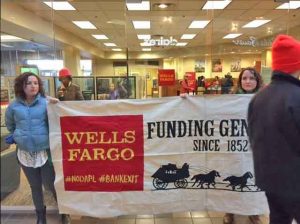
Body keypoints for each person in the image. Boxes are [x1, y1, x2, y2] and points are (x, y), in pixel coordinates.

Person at [247, 34, 300, 224]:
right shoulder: (296, 96)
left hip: (269, 178)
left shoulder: (258, 98)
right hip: (295, 180)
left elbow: (253, 138)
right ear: (296, 64)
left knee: (278, 219)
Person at [5, 72, 59, 224]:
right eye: (29, 83)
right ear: (22, 86)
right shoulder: (13, 106)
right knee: (35, 187)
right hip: (24, 153)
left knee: (52, 184)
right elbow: (10, 125)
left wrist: (57, 103)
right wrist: (18, 135)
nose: (33, 86)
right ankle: (40, 216)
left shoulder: (46, 103)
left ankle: (63, 212)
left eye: (36, 83)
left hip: (44, 152)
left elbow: (55, 121)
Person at [223, 67, 263, 224]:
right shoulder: (230, 99)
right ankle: (229, 211)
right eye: (244, 78)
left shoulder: (265, 98)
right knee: (234, 177)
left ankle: (254, 212)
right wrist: (185, 100)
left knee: (255, 179)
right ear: (239, 81)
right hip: (236, 147)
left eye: (251, 78)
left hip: (257, 147)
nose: (248, 81)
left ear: (257, 80)